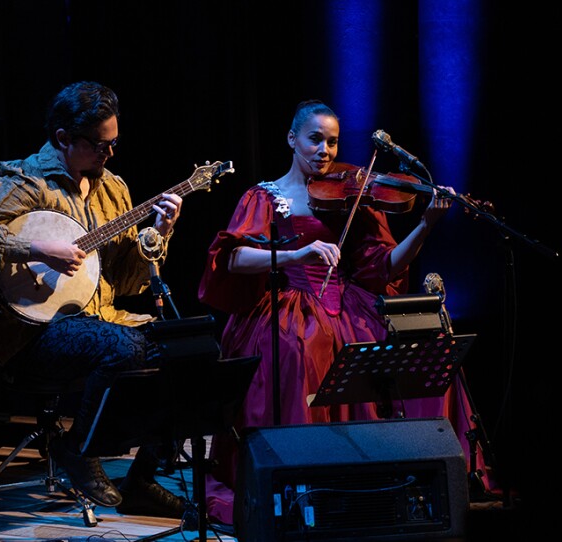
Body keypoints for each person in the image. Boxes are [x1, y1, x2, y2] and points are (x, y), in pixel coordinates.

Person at [197, 99, 489, 525]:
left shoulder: (354, 192)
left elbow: (384, 266)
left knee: (414, 349)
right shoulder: (265, 195)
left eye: (332, 142)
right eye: (315, 139)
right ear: (292, 138)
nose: (325, 151)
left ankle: (391, 480)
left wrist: (426, 224)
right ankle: (303, 485)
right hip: (287, 304)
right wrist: (296, 254)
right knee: (299, 348)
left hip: (349, 303)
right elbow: (235, 259)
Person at [0, 81, 187, 519]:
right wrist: (36, 250)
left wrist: (161, 233)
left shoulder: (114, 190)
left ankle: (142, 479)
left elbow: (128, 282)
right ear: (63, 139)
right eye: (98, 145)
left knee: (186, 349)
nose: (109, 155)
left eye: (113, 144)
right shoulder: (25, 180)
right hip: (33, 335)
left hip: (103, 319)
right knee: (124, 347)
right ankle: (77, 447)